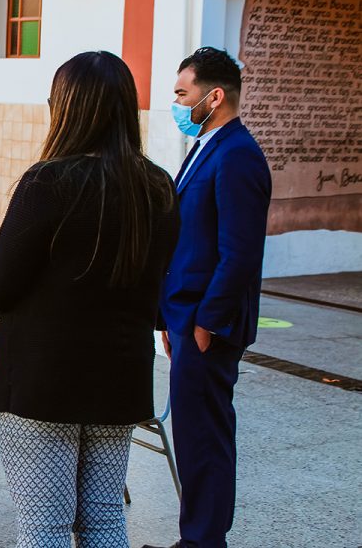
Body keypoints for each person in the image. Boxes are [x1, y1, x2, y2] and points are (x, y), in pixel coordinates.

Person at [0, 51, 180, 548]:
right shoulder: (157, 186)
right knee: (105, 520)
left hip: (46, 379)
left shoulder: (49, 181)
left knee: (45, 526)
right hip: (121, 374)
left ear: (68, 109)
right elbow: (157, 293)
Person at [142, 48, 271, 548]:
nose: (176, 103)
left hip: (206, 323)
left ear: (213, 96)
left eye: (182, 93)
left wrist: (206, 323)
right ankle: (195, 538)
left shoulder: (238, 155)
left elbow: (239, 253)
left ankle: (202, 542)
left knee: (206, 439)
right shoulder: (206, 145)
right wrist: (165, 318)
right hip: (184, 316)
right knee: (195, 437)